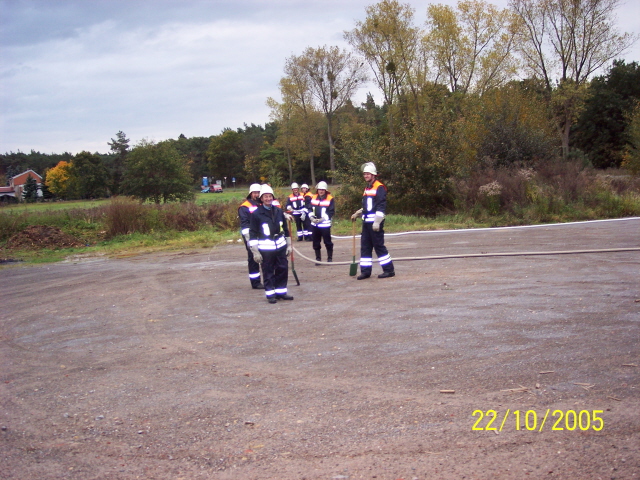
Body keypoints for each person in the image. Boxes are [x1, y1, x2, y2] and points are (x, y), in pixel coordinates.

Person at [249, 185, 294, 304]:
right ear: (261, 198)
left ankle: (281, 292)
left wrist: (289, 245)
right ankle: (270, 294)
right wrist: (255, 251)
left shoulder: (279, 211)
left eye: (270, 196)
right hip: (266, 249)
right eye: (265, 197)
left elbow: (285, 229)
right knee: (268, 271)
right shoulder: (256, 214)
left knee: (282, 269)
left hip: (280, 246)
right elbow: (252, 233)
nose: (268, 199)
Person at [351, 162, 395, 279]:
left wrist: (377, 221)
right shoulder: (367, 187)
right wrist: (359, 212)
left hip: (375, 223)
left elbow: (381, 206)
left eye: (368, 174)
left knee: (379, 246)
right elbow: (369, 206)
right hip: (366, 223)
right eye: (364, 174)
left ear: (373, 175)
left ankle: (389, 270)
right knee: (365, 247)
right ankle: (365, 271)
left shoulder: (379, 187)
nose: (365, 176)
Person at [238, 183, 263, 289]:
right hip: (250, 235)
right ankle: (255, 282)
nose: (257, 195)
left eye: (258, 193)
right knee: (253, 257)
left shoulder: (262, 204)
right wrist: (249, 239)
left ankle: (268, 279)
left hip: (262, 234)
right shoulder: (244, 207)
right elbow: (245, 224)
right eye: (255, 193)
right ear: (251, 194)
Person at [308, 181, 335, 264]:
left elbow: (331, 211)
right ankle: (318, 259)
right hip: (315, 224)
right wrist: (311, 217)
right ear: (317, 190)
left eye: (323, 190)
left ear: (325, 190)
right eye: (320, 189)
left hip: (325, 225)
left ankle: (329, 258)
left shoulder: (330, 198)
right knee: (316, 242)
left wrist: (322, 219)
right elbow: (309, 208)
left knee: (327, 242)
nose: (321, 191)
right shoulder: (313, 197)